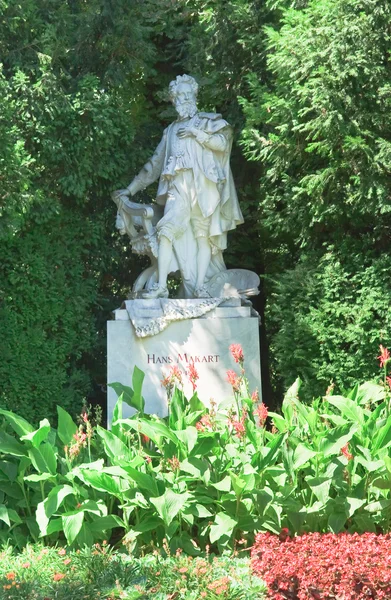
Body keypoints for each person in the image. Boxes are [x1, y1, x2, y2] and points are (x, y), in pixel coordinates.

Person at [119, 74, 244, 299]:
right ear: (173, 100)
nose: (184, 98)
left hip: (204, 188)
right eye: (179, 95)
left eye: (188, 94)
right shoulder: (170, 132)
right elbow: (154, 166)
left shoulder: (207, 122)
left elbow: (222, 144)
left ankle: (200, 288)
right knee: (166, 230)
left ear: (195, 96)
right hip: (177, 187)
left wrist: (199, 135)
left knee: (202, 236)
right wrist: (130, 189)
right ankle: (161, 287)